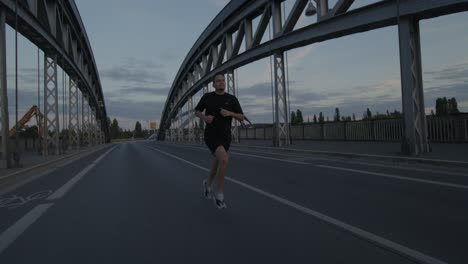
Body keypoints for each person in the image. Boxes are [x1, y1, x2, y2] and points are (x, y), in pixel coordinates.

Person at [194, 72, 244, 209]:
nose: (221, 82)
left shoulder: (232, 99)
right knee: (224, 160)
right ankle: (219, 193)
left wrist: (230, 113)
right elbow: (197, 111)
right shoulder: (208, 97)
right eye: (218, 81)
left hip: (225, 136)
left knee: (217, 164)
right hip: (211, 135)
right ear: (213, 84)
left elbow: (241, 117)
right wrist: (204, 118)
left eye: (223, 80)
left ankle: (208, 184)